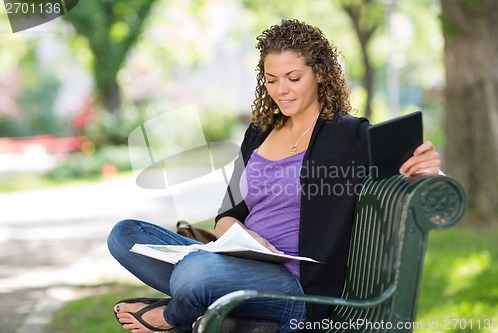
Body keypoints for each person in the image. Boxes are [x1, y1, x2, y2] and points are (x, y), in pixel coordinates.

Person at [108, 19, 441, 333]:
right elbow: (228, 214)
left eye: (293, 78)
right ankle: (207, 304)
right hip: (236, 262)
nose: (281, 90)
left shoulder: (347, 135)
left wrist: (429, 168)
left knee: (194, 273)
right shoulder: (259, 132)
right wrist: (245, 238)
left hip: (294, 286)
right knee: (126, 236)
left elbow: (420, 176)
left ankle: (173, 315)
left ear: (320, 74)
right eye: (271, 80)